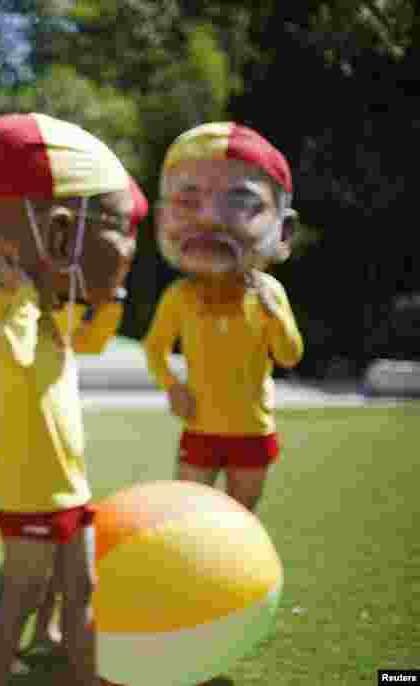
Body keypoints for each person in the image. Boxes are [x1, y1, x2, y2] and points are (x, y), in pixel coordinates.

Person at [0, 112, 139, 686]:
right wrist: (19, 295)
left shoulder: (53, 308)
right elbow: (15, 364)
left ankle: (83, 676)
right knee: (21, 593)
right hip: (27, 485)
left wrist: (107, 304)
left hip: (70, 484)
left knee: (81, 588)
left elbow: (86, 345)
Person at [143, 121, 304, 512]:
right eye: (187, 201)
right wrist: (172, 385)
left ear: (283, 232)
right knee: (189, 516)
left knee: (241, 521)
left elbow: (289, 356)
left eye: (239, 202)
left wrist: (274, 316)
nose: (210, 220)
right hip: (201, 427)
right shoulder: (180, 297)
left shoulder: (269, 293)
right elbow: (155, 348)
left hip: (253, 429)